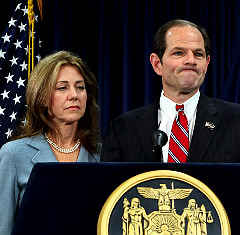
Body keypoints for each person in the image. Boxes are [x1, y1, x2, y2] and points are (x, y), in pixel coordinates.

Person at [101, 19, 240, 162]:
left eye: (198, 54)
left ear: (207, 63)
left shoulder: (235, 120)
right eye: (179, 53)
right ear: (157, 64)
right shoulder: (124, 128)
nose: (191, 60)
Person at [0, 50, 101, 235]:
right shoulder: (13, 154)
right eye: (62, 88)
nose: (74, 95)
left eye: (80, 87)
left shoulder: (101, 153)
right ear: (43, 96)